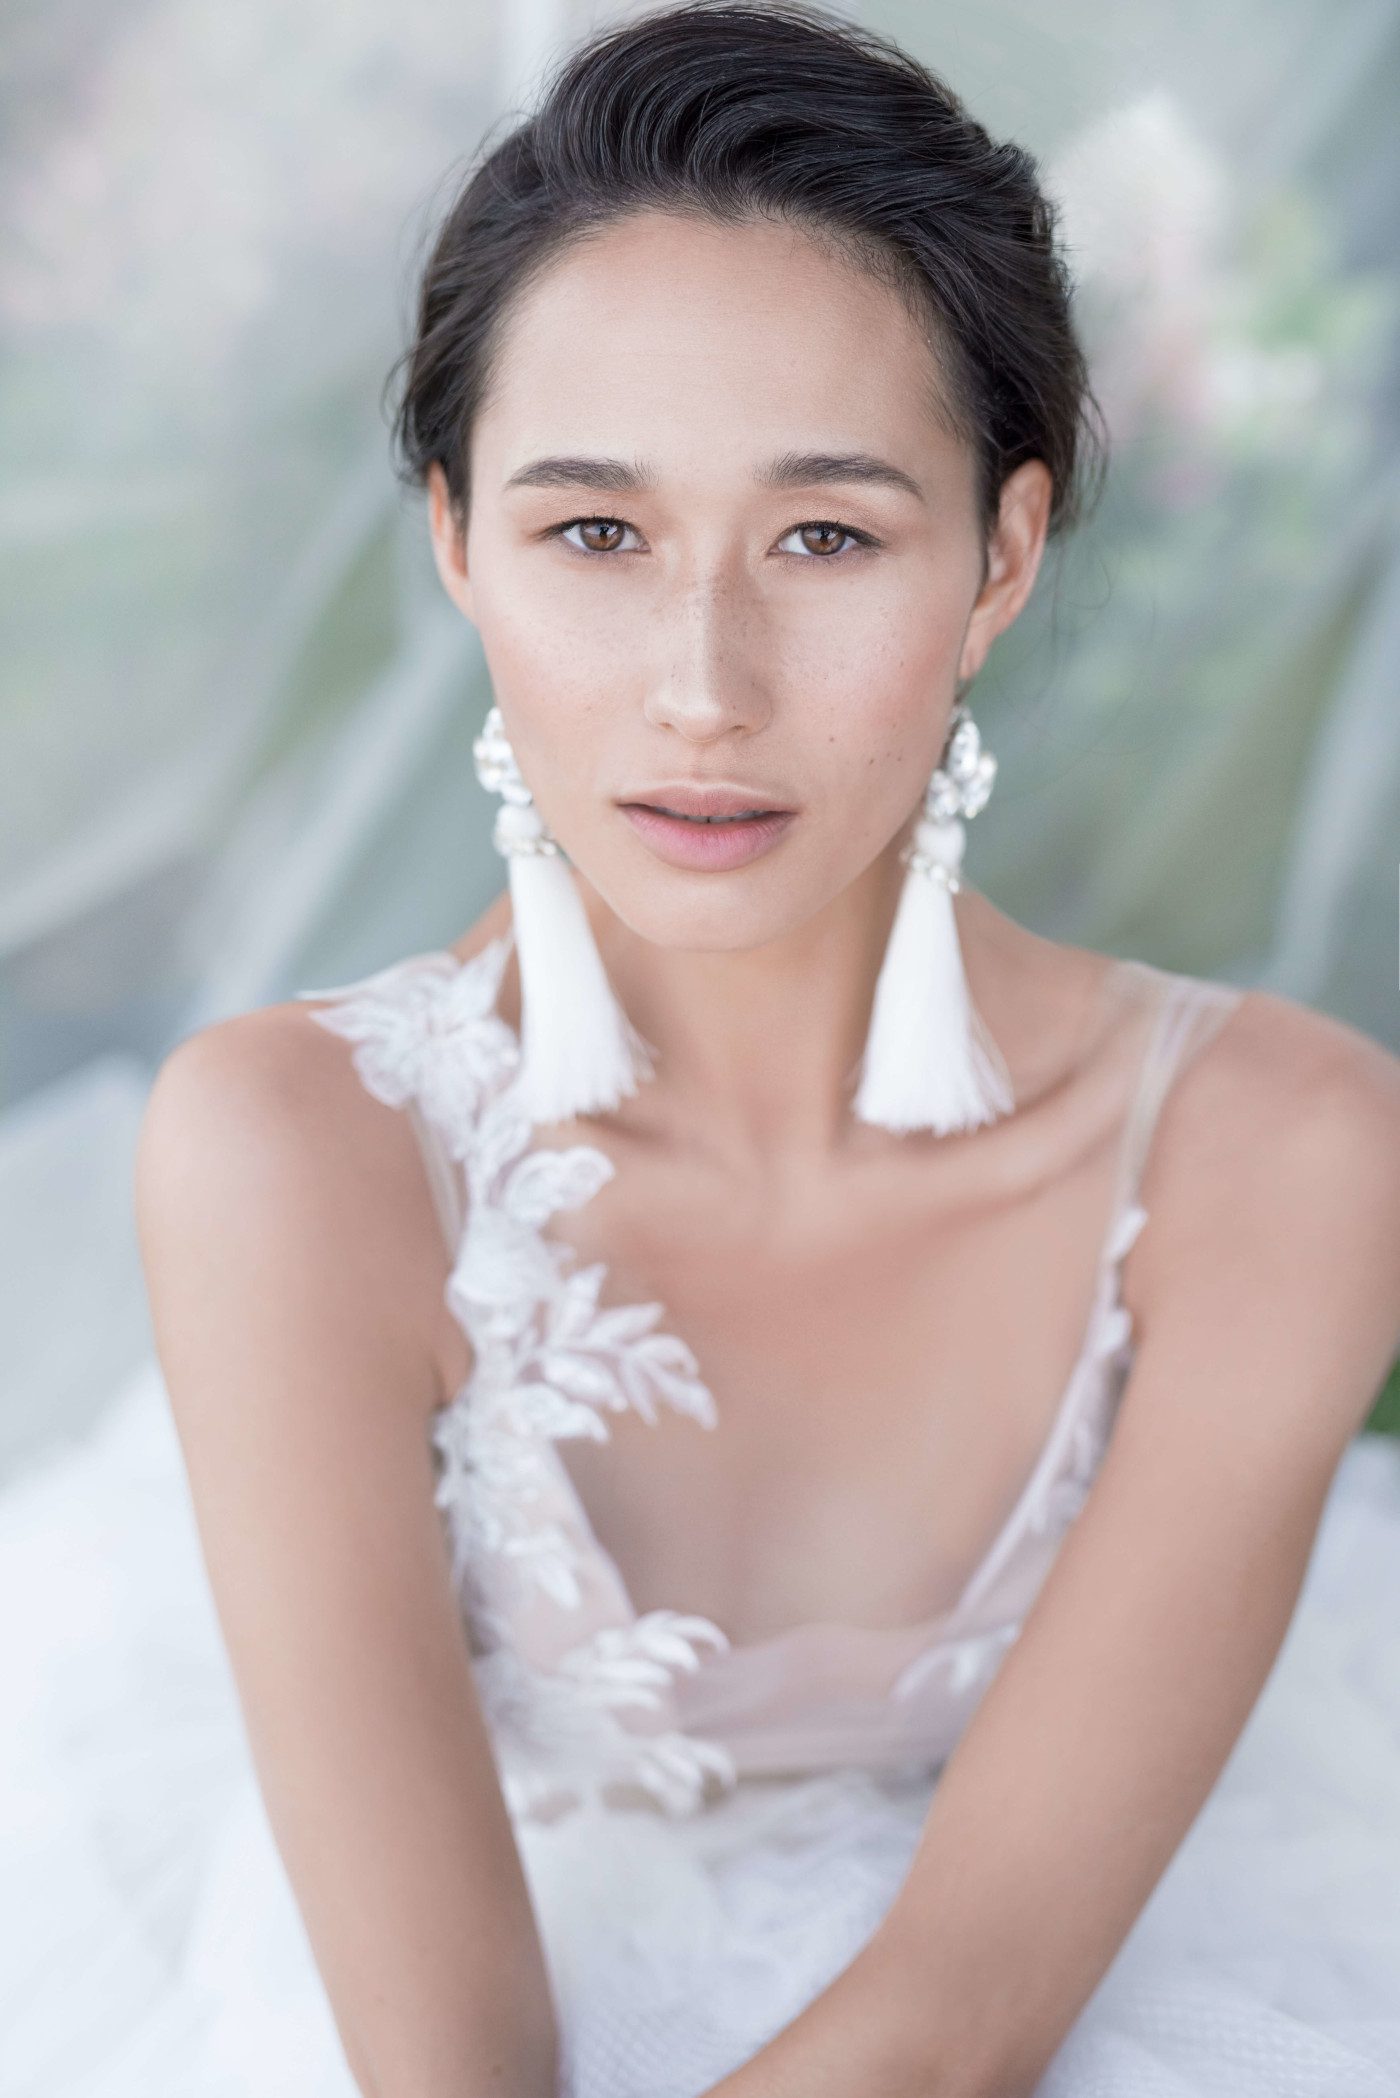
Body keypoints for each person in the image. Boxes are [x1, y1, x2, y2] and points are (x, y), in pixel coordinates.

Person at [3, 5, 1399, 2095]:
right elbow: (446, 2063)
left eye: (825, 534)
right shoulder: (300, 1152)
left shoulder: (1275, 1152)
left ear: (1001, 554)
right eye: (594, 531)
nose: (703, 684)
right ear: (458, 539)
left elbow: (960, 2019)